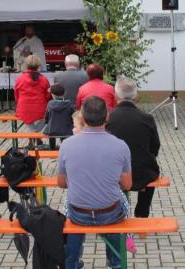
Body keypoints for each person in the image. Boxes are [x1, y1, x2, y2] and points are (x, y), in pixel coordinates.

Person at [58, 96, 132, 269]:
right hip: (110, 212)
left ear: (82, 118)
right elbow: (127, 185)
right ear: (107, 117)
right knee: (118, 208)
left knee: (71, 213)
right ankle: (115, 262)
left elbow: (61, 183)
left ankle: (72, 262)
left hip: (78, 213)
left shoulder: (67, 144)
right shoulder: (120, 146)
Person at [107, 77, 161, 218]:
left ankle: (117, 211)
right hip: (142, 172)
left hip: (114, 173)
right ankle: (142, 212)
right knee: (152, 171)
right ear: (136, 95)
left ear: (115, 95)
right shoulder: (147, 118)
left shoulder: (107, 118)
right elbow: (155, 147)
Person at [14, 55, 52, 148]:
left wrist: (19, 104)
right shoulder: (44, 79)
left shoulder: (20, 79)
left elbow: (16, 95)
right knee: (47, 117)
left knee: (28, 121)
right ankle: (36, 136)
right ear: (38, 65)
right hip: (41, 109)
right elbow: (48, 96)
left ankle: (32, 136)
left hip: (24, 109)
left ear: (27, 65)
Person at [43, 83, 74, 149]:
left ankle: (52, 149)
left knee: (51, 134)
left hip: (52, 129)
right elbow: (73, 117)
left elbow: (47, 117)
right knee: (64, 137)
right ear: (64, 93)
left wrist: (46, 122)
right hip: (66, 129)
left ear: (53, 94)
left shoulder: (50, 104)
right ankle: (64, 149)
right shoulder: (69, 104)